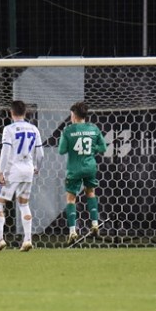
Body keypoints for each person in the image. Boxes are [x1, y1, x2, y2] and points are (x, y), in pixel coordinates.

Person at [0, 100, 43, 252]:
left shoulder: (9, 129)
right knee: (24, 204)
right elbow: (40, 154)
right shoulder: (34, 129)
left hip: (12, 170)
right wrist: (37, 167)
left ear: (11, 112)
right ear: (25, 112)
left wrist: (1, 172)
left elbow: (5, 152)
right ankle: (27, 240)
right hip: (28, 170)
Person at [58, 101, 106, 240]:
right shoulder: (94, 128)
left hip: (74, 169)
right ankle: (95, 224)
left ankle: (72, 232)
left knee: (71, 198)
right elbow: (103, 148)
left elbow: (61, 150)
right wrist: (92, 149)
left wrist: (71, 145)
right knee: (90, 193)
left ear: (73, 115)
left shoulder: (68, 130)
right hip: (90, 167)